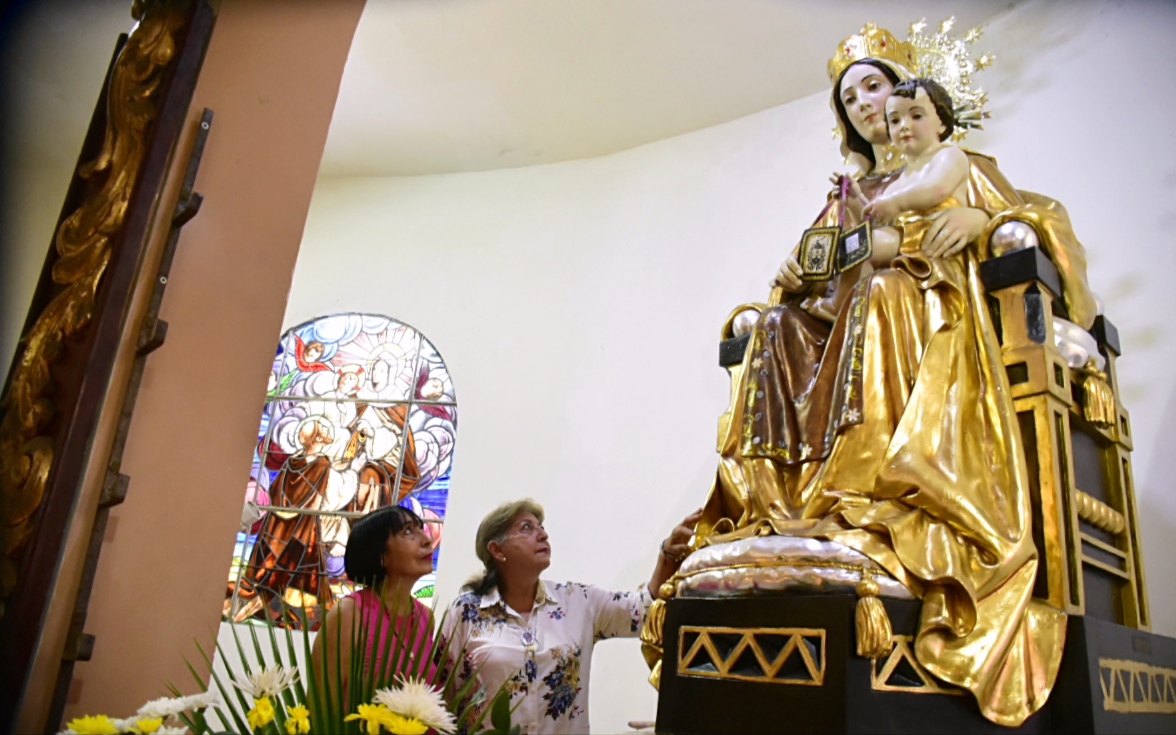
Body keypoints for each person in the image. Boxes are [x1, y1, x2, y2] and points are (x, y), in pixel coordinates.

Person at [696, 24, 1097, 727]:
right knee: (774, 331)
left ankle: (876, 496)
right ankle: (789, 506)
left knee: (881, 294)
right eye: (848, 97)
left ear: (920, 99)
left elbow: (1037, 217)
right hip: (841, 315)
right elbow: (816, 262)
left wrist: (978, 215)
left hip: (927, 304)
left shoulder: (952, 162)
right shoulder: (848, 190)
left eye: (875, 86)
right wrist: (791, 275)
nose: (864, 104)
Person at [439, 500, 699, 734]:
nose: (543, 534)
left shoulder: (578, 601)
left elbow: (643, 611)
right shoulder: (466, 612)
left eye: (541, 526)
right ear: (497, 549)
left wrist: (667, 556)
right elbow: (443, 695)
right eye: (527, 528)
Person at [312, 505, 438, 698]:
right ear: (381, 555)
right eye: (408, 531)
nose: (427, 540)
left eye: (421, 528)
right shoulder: (349, 615)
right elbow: (322, 708)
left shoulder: (426, 618)